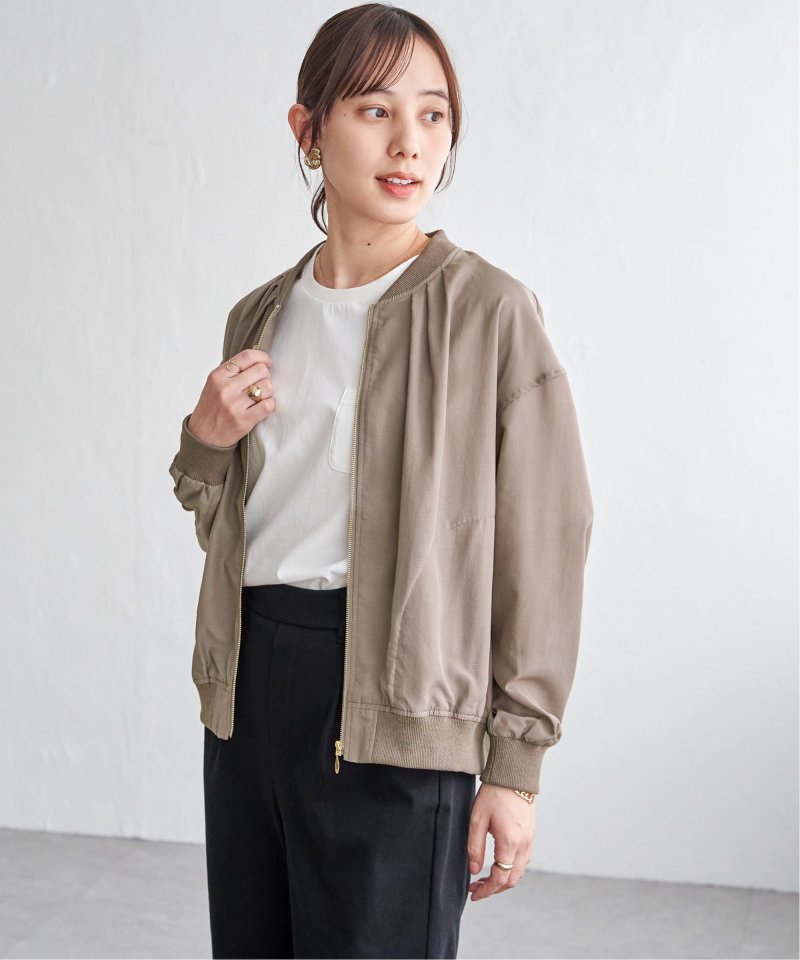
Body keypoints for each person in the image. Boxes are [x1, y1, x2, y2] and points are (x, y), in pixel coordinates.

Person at [168, 4, 594, 958]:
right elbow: (230, 528)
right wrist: (204, 441)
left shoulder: (489, 313)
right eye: (375, 110)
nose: (410, 142)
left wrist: (515, 766)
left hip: (402, 703)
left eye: (434, 114)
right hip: (250, 693)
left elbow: (546, 544)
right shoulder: (259, 316)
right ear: (308, 130)